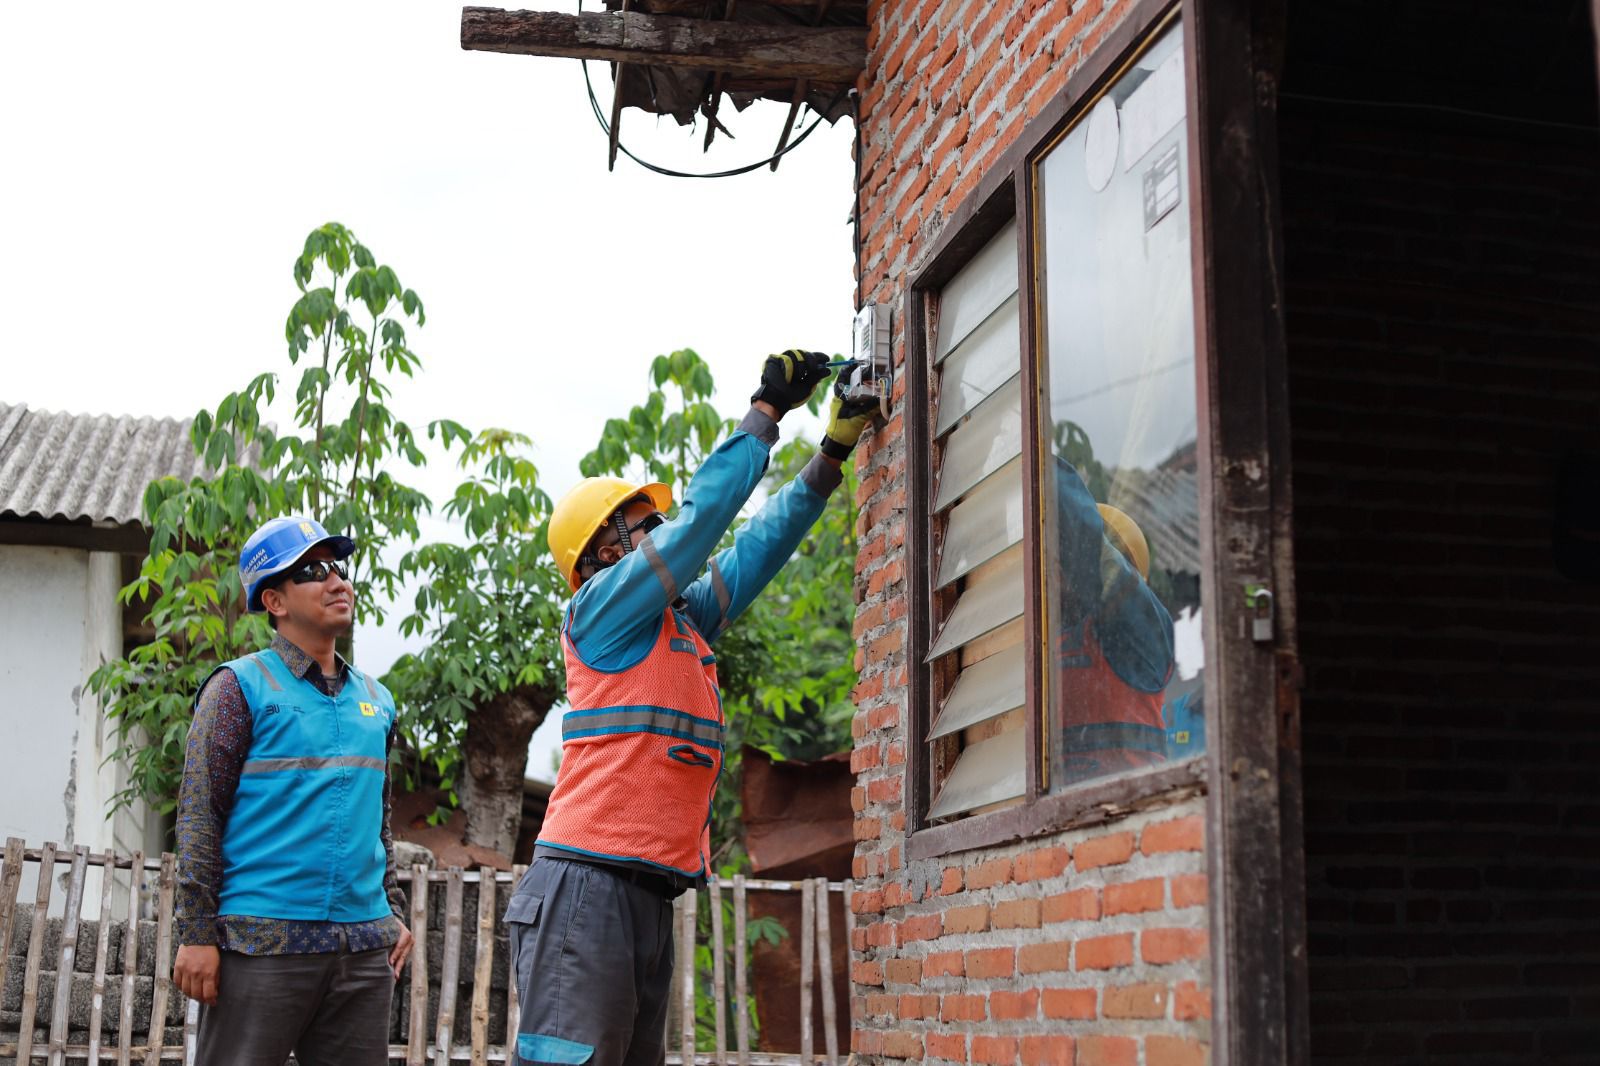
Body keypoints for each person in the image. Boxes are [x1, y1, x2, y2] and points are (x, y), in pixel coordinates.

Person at [506, 350, 875, 1066]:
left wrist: (831, 452)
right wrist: (766, 412)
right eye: (646, 524)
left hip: (643, 892)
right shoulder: (599, 611)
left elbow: (756, 550)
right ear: (602, 555)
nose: (662, 529)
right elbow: (702, 526)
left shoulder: (681, 623)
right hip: (586, 887)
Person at [172, 516, 414, 1066]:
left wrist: (393, 910)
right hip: (263, 944)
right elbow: (199, 815)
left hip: (361, 947)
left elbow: (377, 819)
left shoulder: (377, 701)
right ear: (274, 601)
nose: (336, 582)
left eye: (338, 569)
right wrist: (196, 933)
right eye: (312, 572)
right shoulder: (239, 688)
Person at [1051, 456, 1178, 784]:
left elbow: (1090, 550)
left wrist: (1029, 461)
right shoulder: (1049, 639)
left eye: (1065, 553)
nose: (1058, 564)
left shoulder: (1142, 632)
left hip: (1132, 805)